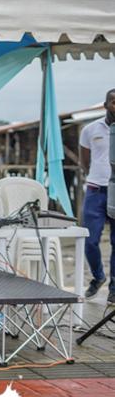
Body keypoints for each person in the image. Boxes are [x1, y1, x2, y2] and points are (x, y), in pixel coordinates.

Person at [80, 88, 115, 302]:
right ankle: (98, 276)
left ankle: (114, 289)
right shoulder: (90, 129)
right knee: (90, 239)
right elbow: (85, 161)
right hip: (95, 191)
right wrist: (96, 176)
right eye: (113, 101)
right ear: (105, 105)